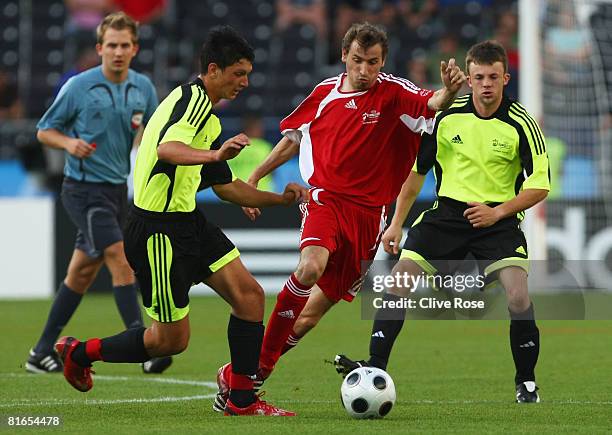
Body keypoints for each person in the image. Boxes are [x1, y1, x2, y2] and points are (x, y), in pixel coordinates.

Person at [54, 25, 306, 417]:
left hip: (188, 223)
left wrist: (282, 199)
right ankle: (80, 353)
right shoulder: (189, 103)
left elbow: (227, 189)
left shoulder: (208, 119)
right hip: (157, 233)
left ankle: (241, 399)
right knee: (168, 341)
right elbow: (167, 148)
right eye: (238, 73)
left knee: (250, 297)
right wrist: (214, 156)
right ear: (213, 69)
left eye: (248, 74)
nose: (245, 82)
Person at [213, 22, 466, 411]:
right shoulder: (323, 94)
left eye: (374, 62)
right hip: (326, 200)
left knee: (309, 318)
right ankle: (250, 378)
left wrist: (449, 90)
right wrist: (256, 176)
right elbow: (293, 138)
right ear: (344, 56)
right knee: (311, 267)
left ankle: (240, 376)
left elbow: (432, 103)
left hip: (369, 218)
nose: (365, 70)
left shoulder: (395, 93)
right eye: (359, 60)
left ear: (383, 62)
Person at [334, 40, 550, 404]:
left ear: (505, 78)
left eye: (493, 77)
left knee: (517, 295)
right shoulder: (447, 117)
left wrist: (498, 212)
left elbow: (540, 185)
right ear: (468, 77)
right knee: (399, 281)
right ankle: (374, 367)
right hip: (446, 216)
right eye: (478, 76)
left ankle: (526, 381)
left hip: (499, 221)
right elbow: (416, 173)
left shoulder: (522, 124)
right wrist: (396, 223)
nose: (485, 84)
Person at [27, 11, 173, 375]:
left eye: (125, 45)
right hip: (82, 190)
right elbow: (45, 130)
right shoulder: (79, 86)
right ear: (99, 48)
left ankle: (40, 351)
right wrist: (69, 143)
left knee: (80, 274)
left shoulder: (143, 87)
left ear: (135, 49)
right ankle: (142, 342)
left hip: (115, 191)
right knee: (118, 255)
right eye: (111, 45)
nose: (118, 51)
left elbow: (156, 134)